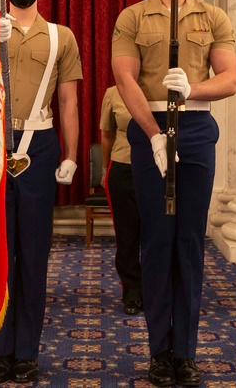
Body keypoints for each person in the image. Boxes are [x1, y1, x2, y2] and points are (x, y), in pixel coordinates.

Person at [112, 0, 236, 388]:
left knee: (189, 242)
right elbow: (125, 80)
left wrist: (193, 90)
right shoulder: (132, 16)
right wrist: (152, 135)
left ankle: (184, 351)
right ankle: (157, 352)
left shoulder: (213, 16)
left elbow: (230, 79)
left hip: (197, 129)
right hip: (149, 128)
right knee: (156, 242)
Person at [0, 0, 82, 385]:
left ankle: (27, 351)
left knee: (34, 254)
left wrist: (71, 155)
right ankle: (1, 348)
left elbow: (68, 100)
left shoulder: (62, 36)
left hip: (39, 145)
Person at [99, 84, 143, 315]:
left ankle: (157, 290)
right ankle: (133, 294)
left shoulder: (163, 89)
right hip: (122, 168)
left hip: (158, 169)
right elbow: (107, 134)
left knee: (156, 235)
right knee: (127, 237)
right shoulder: (113, 93)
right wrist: (105, 169)